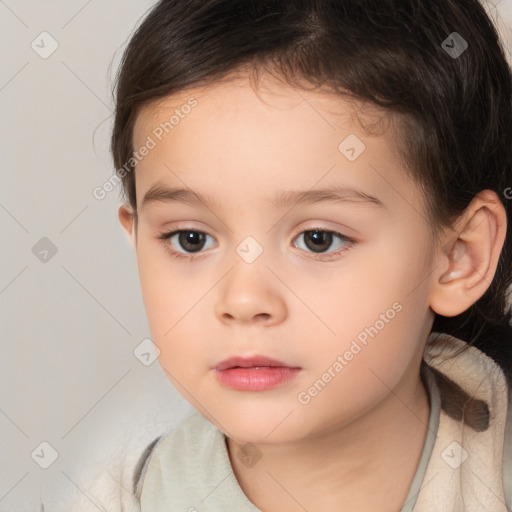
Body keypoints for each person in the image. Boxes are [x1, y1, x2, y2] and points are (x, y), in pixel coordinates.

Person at [86, 0, 512, 510]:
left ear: (459, 257)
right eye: (190, 239)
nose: (244, 300)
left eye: (318, 239)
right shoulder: (121, 495)